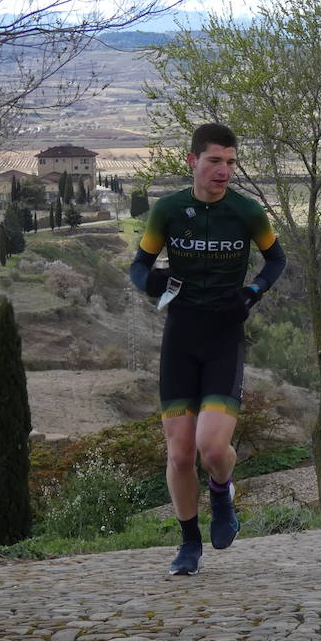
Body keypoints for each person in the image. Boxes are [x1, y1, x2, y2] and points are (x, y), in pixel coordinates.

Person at [128, 122, 286, 576]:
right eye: (215, 161)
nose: (224, 171)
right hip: (180, 336)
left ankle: (222, 496)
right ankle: (188, 544)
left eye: (231, 162)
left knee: (212, 450)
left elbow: (276, 258)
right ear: (193, 161)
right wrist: (150, 282)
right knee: (179, 455)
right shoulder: (169, 210)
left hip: (223, 336)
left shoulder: (247, 211)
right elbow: (138, 266)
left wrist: (253, 291)